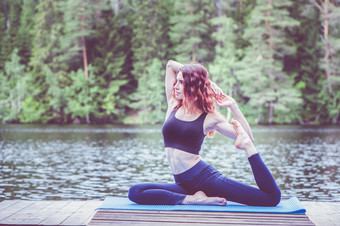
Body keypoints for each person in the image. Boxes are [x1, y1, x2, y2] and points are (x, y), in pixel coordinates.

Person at [128, 60, 281, 206]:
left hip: (205, 180)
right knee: (136, 191)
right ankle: (191, 200)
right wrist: (208, 82)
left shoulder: (209, 117)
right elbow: (170, 65)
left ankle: (194, 198)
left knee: (271, 199)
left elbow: (247, 136)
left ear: (193, 85)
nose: (176, 85)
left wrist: (233, 106)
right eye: (177, 81)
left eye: (181, 82)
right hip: (183, 184)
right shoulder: (173, 105)